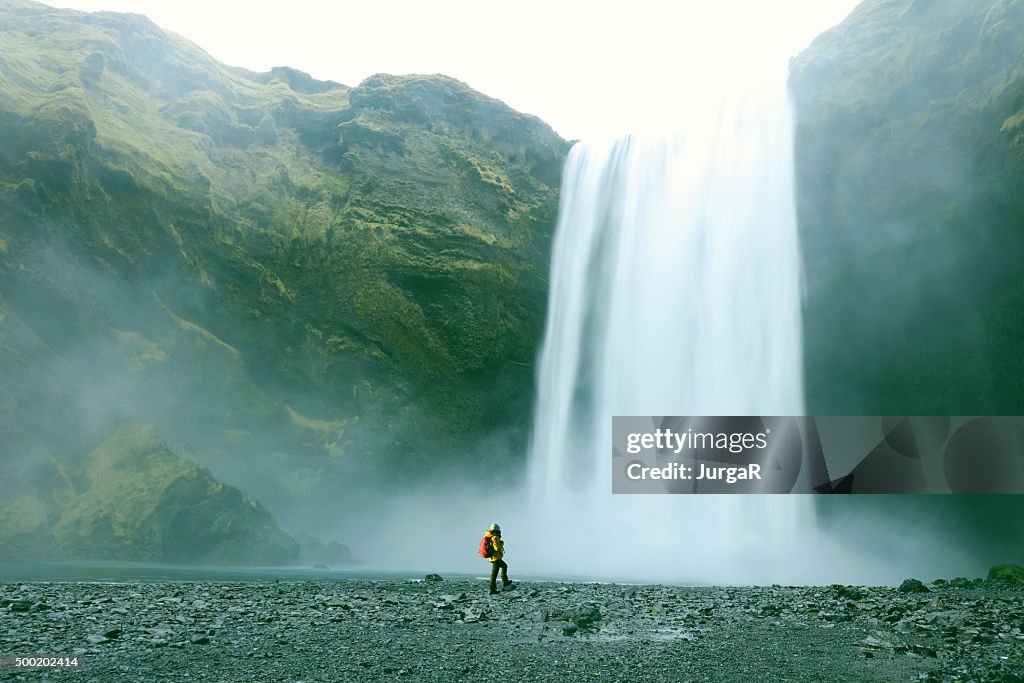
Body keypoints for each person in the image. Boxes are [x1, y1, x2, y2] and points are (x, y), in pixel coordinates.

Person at [482, 523, 513, 594]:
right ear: (497, 530)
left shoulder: (490, 536)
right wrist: (501, 544)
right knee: (495, 574)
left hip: (493, 558)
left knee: (503, 567)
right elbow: (496, 548)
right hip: (496, 558)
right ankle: (494, 588)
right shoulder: (495, 537)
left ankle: (504, 583)